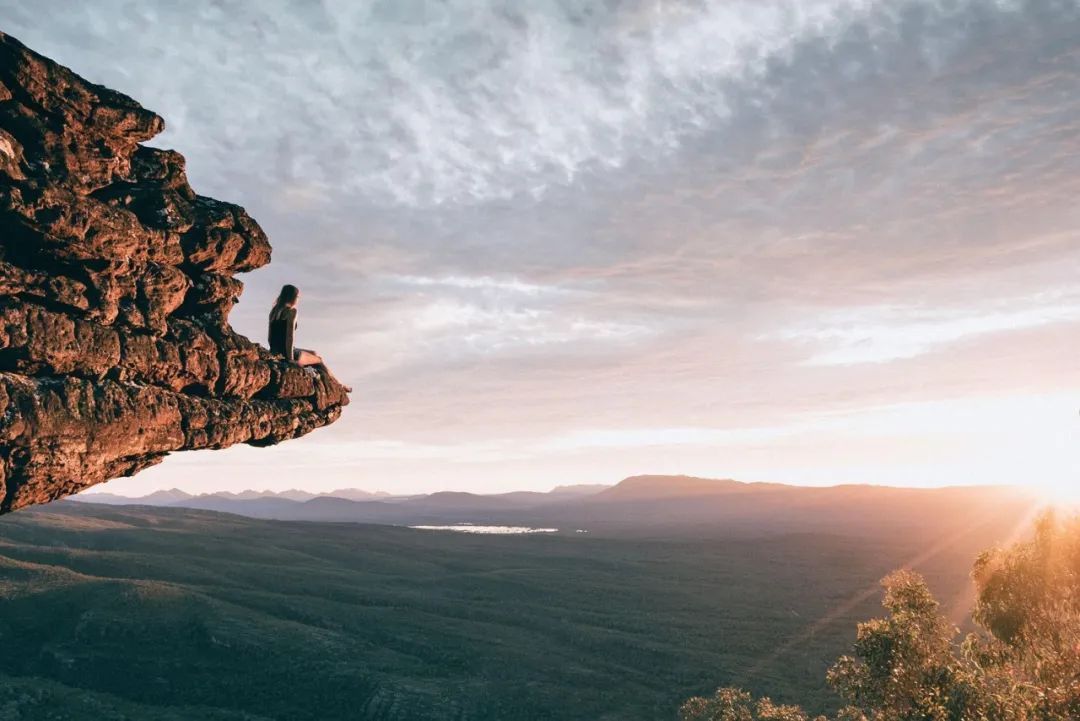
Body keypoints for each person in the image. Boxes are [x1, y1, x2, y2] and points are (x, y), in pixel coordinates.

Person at [268, 284, 352, 392]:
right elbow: (289, 337)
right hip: (288, 353)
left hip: (275, 351)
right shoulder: (291, 311)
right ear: (293, 297)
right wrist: (290, 359)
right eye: (298, 297)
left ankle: (329, 382)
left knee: (314, 353)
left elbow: (270, 337)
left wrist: (274, 352)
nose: (298, 299)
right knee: (318, 360)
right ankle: (339, 386)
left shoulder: (274, 311)